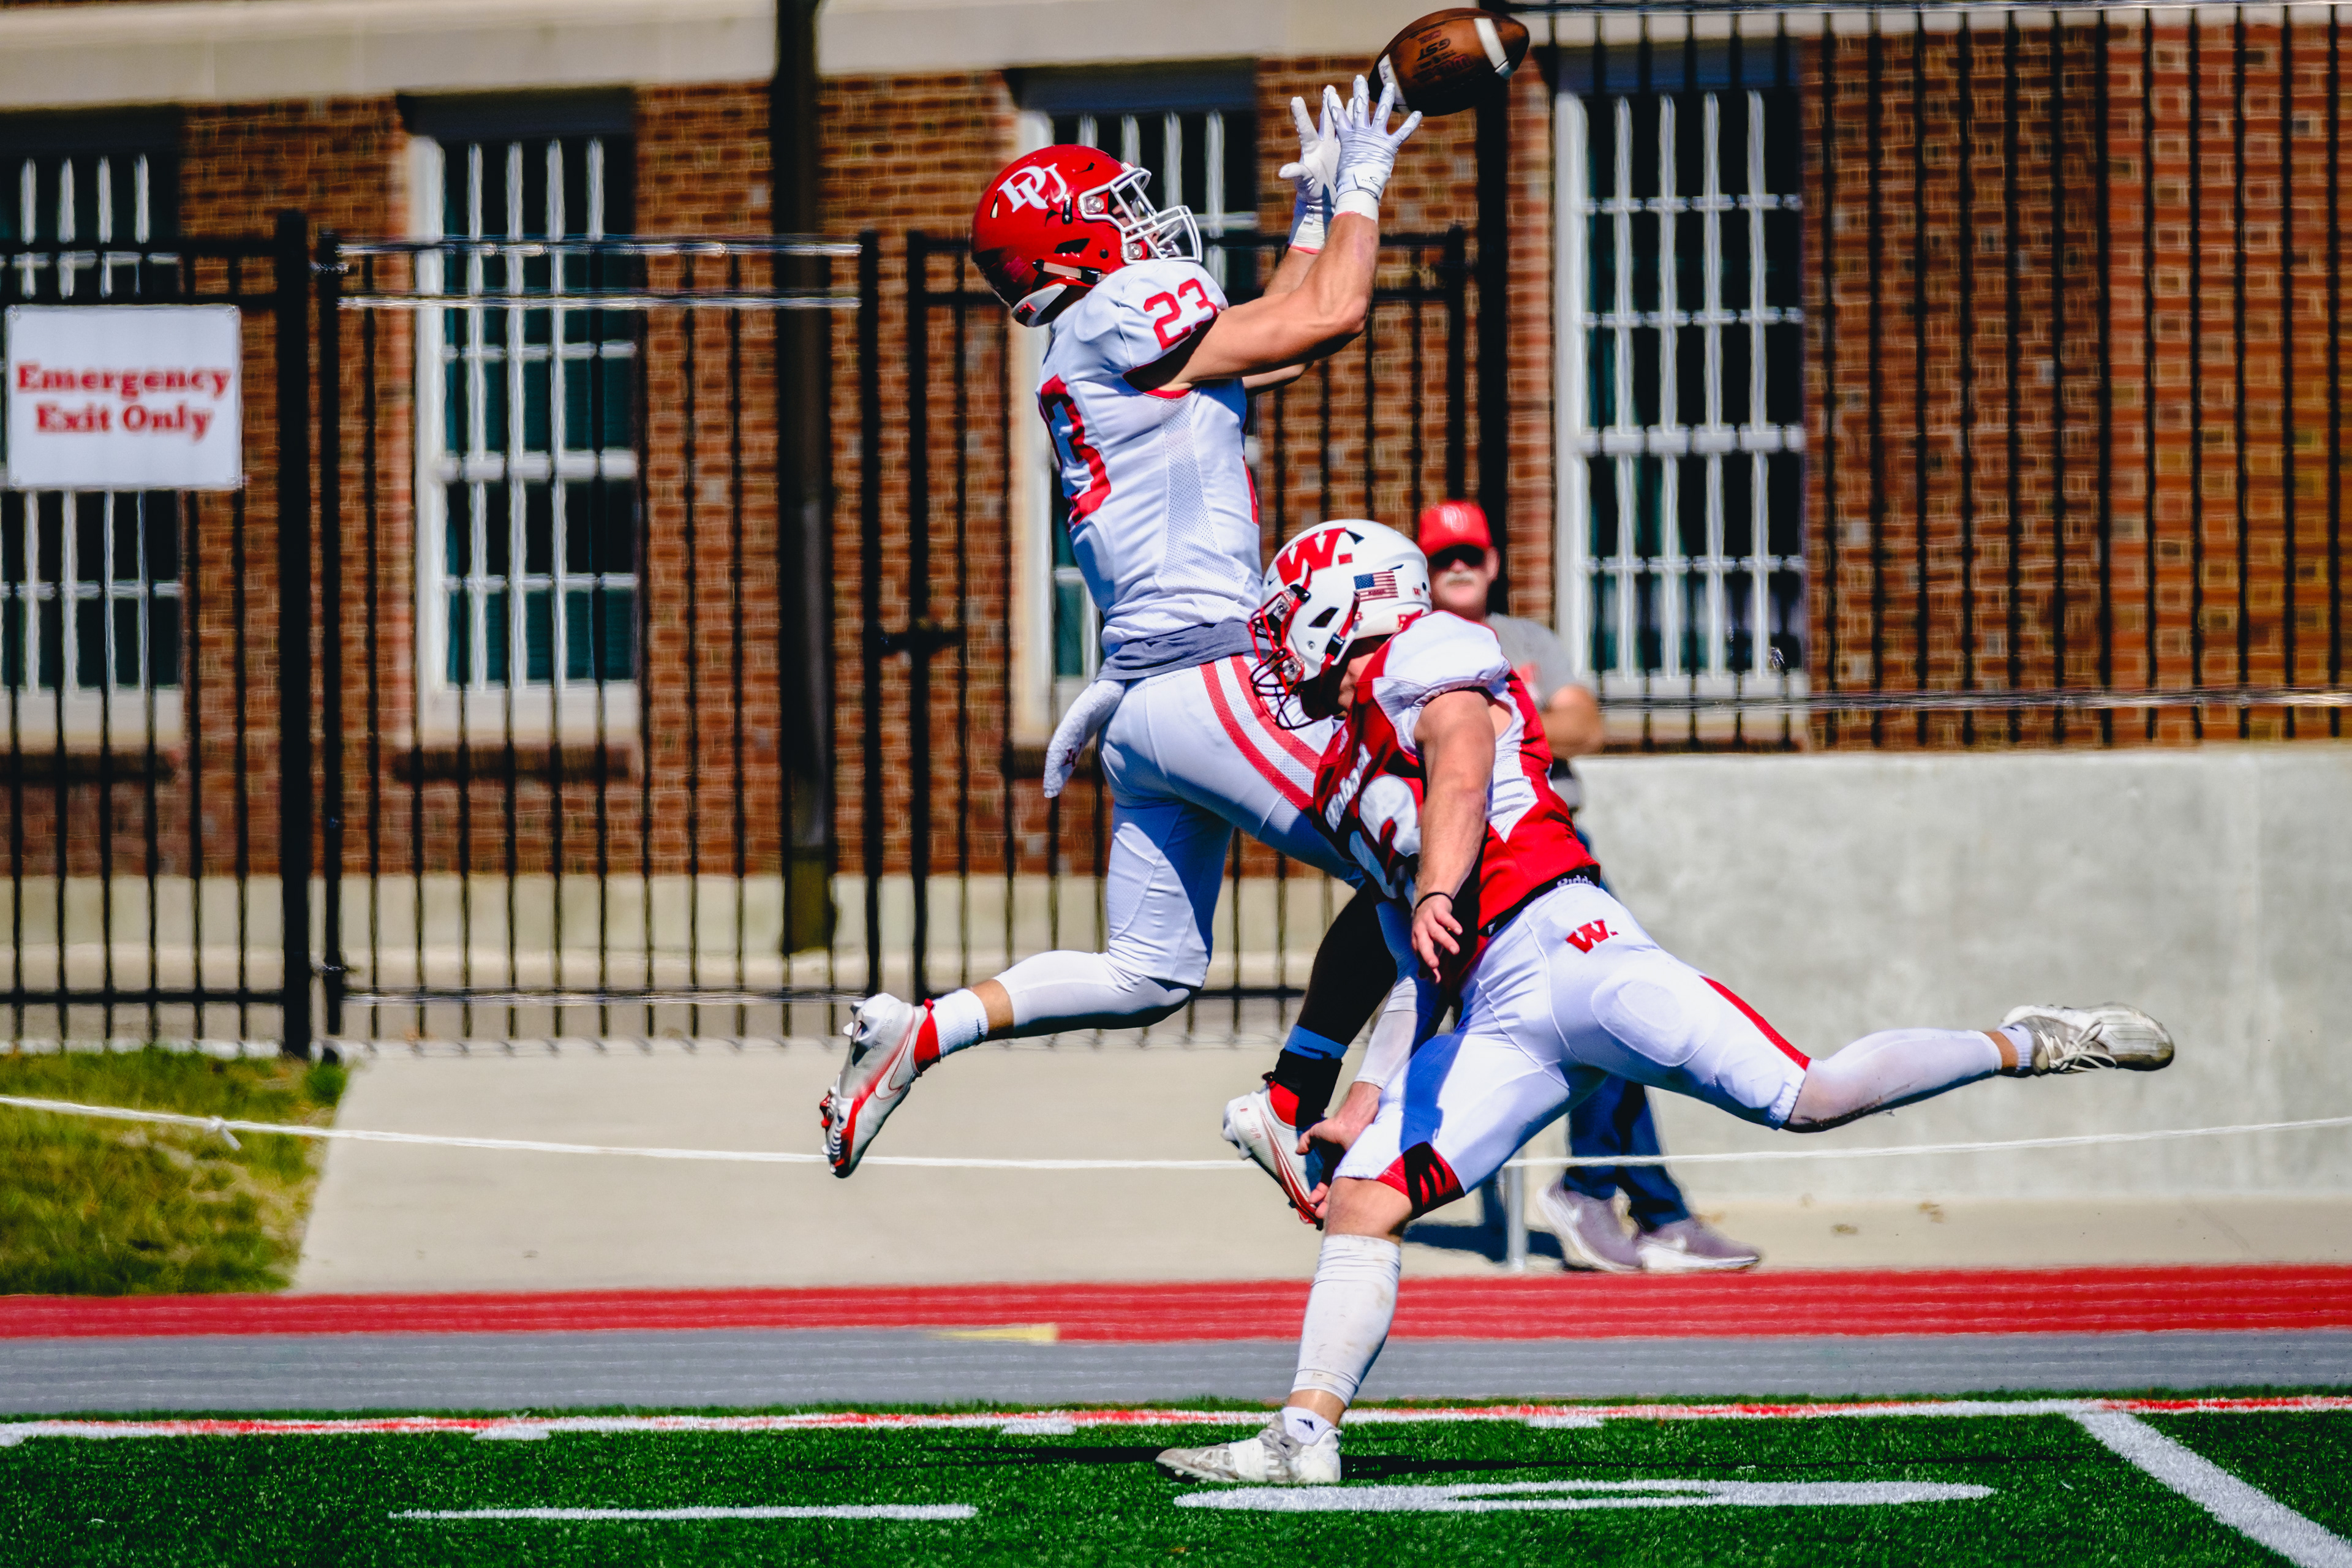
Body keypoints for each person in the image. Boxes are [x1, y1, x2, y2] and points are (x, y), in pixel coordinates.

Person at [1153, 538, 2175, 1485]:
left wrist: (1431, 888)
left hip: (1573, 946)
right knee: (1363, 1198)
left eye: (1291, 611)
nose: (1279, 640)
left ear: (1352, 603)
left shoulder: (1426, 654)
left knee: (1807, 1098)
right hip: (1500, 1014)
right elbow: (1414, 955)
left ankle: (2027, 1041)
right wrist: (1366, 1094)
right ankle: (1303, 1436)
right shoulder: (1352, 756)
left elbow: (1462, 767)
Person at [822, 79, 1428, 1197]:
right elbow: (1325, 320)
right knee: (1438, 871)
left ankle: (922, 1031)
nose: (1148, 228)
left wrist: (1309, 218)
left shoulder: (1082, 346)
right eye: (1121, 211)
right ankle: (1309, 1109)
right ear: (1075, 244)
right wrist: (1364, 190)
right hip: (1211, 678)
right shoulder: (1117, 312)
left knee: (1149, 970)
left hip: (1145, 701)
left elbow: (1268, 347)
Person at [1417, 500, 1758, 1275]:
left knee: (1627, 1011)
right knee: (1599, 1020)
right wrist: (1521, 720)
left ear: (1494, 561)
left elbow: (1587, 727)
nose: (1460, 567)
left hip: (1564, 848)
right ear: (1426, 572)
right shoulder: (1416, 645)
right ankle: (1621, 1199)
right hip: (1485, 858)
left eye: (1471, 552)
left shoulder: (1527, 640)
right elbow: (1522, 736)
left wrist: (1495, 718)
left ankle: (1629, 1201)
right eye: (1443, 558)